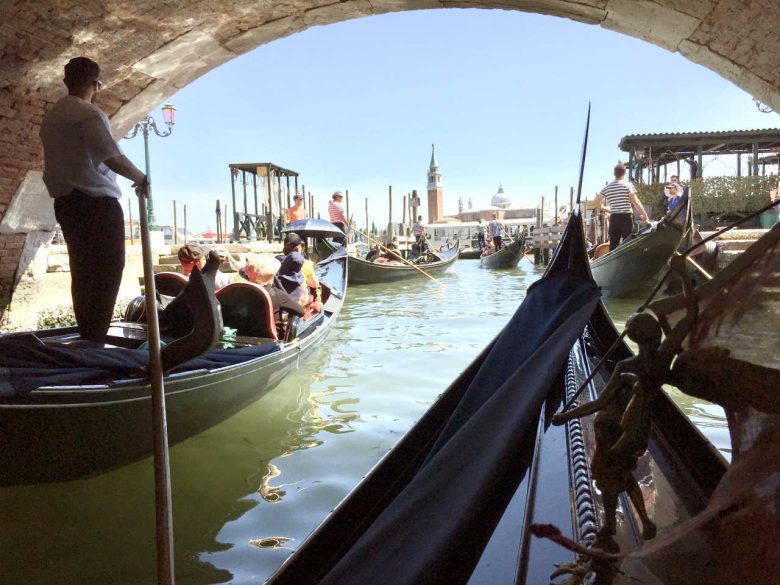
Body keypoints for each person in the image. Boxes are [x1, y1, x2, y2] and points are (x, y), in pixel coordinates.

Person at [39, 57, 149, 343]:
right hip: (96, 204)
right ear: (96, 85)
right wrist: (142, 178)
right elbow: (111, 157)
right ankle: (95, 339)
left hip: (66, 205)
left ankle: (89, 335)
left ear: (66, 81)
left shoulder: (51, 118)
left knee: (82, 270)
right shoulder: (89, 114)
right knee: (108, 269)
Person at [594, 163, 650, 251]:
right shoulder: (628, 185)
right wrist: (645, 215)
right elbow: (635, 201)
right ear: (624, 174)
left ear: (614, 173)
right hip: (626, 217)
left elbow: (596, 202)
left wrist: (607, 209)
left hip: (614, 217)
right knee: (628, 243)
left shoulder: (607, 187)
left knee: (613, 243)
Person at [242, 255, 304, 321]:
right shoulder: (277, 294)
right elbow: (300, 312)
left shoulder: (239, 291)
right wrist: (282, 317)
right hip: (267, 331)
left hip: (243, 330)